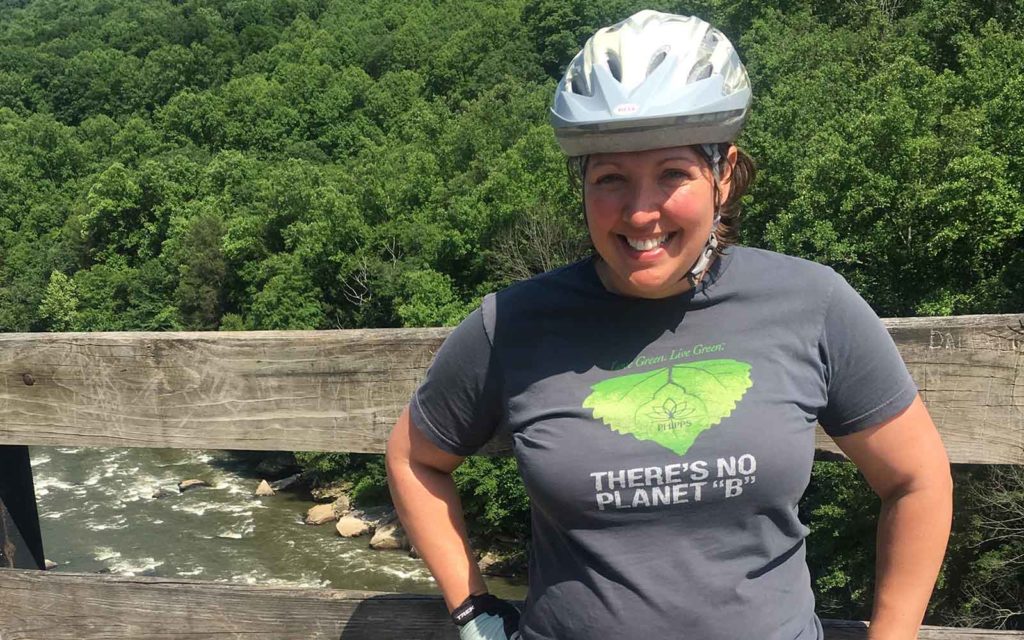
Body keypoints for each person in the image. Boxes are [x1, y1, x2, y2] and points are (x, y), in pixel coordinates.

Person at [385, 10, 952, 640]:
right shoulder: (513, 323)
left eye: (673, 174)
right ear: (582, 185)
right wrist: (473, 609)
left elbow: (916, 480)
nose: (640, 210)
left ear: (724, 175)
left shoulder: (812, 304)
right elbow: (415, 458)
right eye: (611, 179)